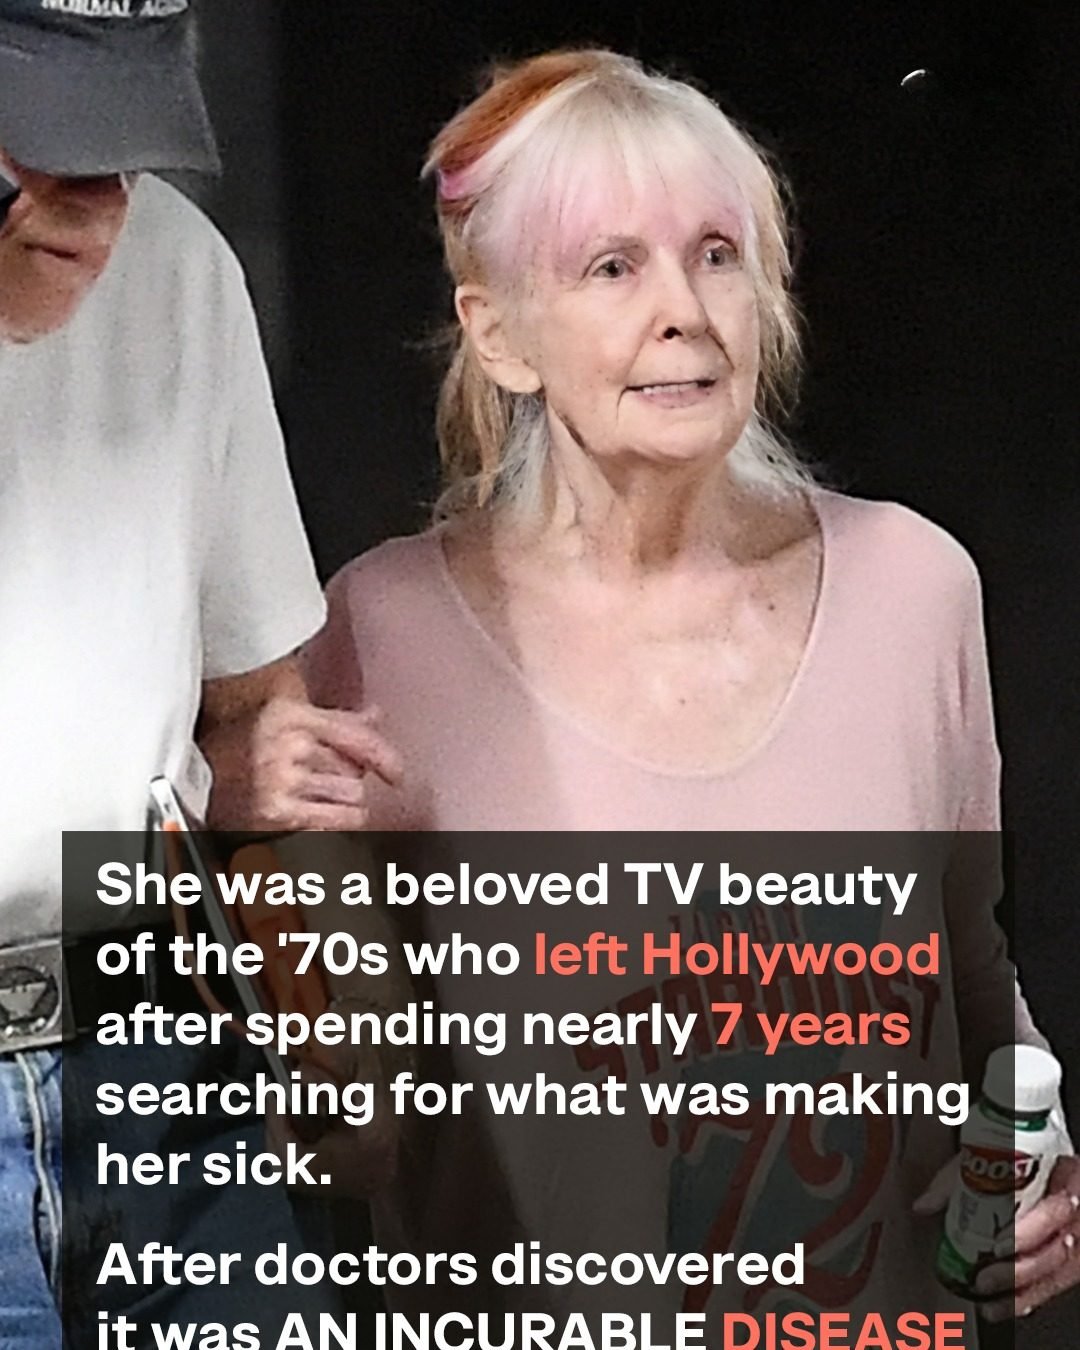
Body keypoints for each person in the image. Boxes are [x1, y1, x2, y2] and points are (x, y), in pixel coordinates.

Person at [302, 49, 1080, 1334]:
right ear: (499, 336)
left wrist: (1040, 1169)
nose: (684, 310)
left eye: (717, 255)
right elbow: (340, 1116)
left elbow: (975, 970)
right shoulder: (379, 634)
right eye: (612, 268)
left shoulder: (915, 588)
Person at [0, 2, 398, 1344]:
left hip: (161, 1057)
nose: (99, 197)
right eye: (44, 139)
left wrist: (338, 1039)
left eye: (125, 139)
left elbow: (260, 712)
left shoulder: (181, 273)